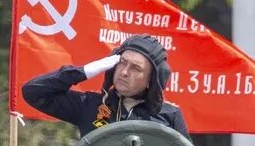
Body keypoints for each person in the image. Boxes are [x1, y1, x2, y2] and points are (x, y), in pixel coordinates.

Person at [17, 34, 189, 135]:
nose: (124, 72)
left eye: (136, 68)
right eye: (122, 63)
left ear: (151, 80)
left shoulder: (168, 116)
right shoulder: (90, 105)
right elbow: (33, 92)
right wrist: (83, 71)